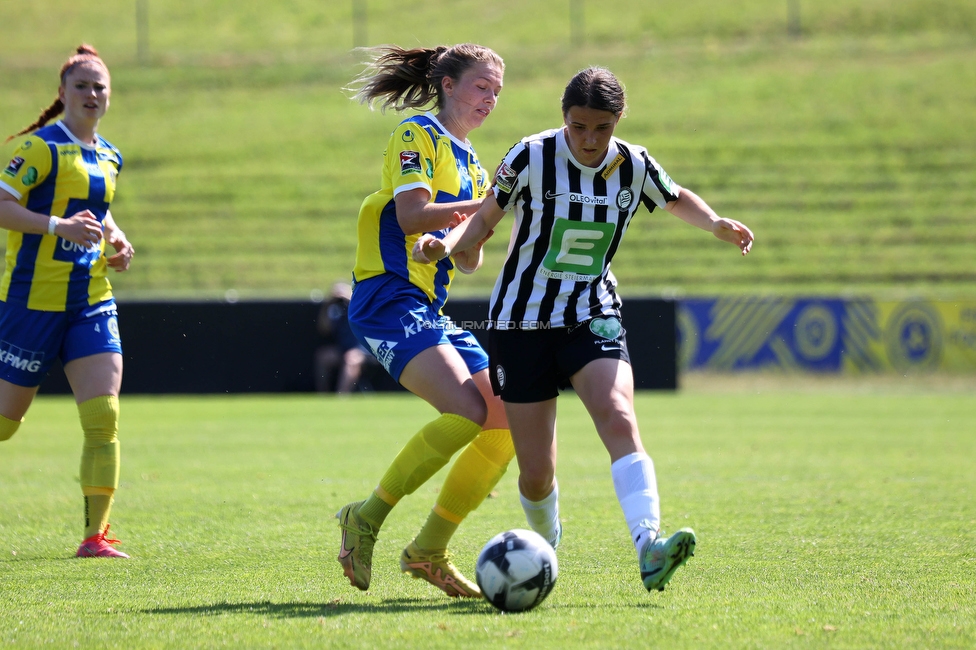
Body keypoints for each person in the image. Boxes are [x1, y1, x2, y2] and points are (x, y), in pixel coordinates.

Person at [415, 67, 754, 593]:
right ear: (563, 118)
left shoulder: (634, 163)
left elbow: (673, 194)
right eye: (579, 127)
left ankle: (649, 546)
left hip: (591, 312)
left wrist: (715, 223)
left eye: (603, 128)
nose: (591, 140)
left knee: (618, 416)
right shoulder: (529, 155)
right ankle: (547, 549)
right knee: (535, 474)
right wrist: (449, 242)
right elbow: (484, 220)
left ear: (618, 122)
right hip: (522, 322)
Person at [335, 44, 514, 598]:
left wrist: (472, 233)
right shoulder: (418, 134)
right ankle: (364, 517)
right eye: (482, 86)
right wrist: (486, 208)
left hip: (426, 307)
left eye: (497, 92)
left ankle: (428, 551)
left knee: (505, 425)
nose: (490, 99)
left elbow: (468, 258)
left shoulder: (475, 163)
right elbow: (411, 215)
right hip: (387, 298)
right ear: (448, 85)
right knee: (466, 413)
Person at [0, 44, 135, 558]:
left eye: (100, 86)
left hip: (91, 302)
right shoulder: (39, 149)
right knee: (5, 427)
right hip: (30, 304)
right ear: (62, 94)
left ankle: (94, 538)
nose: (92, 94)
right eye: (82, 85)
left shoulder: (110, 155)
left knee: (103, 417)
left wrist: (117, 243)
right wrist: (57, 226)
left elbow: (98, 216)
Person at [314, 282, 370, 394]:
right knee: (323, 356)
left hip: (363, 349)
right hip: (343, 348)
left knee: (351, 359)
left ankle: (342, 394)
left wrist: (349, 298)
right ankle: (323, 393)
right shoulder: (335, 310)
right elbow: (324, 329)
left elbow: (366, 320)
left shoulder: (359, 305)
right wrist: (328, 304)